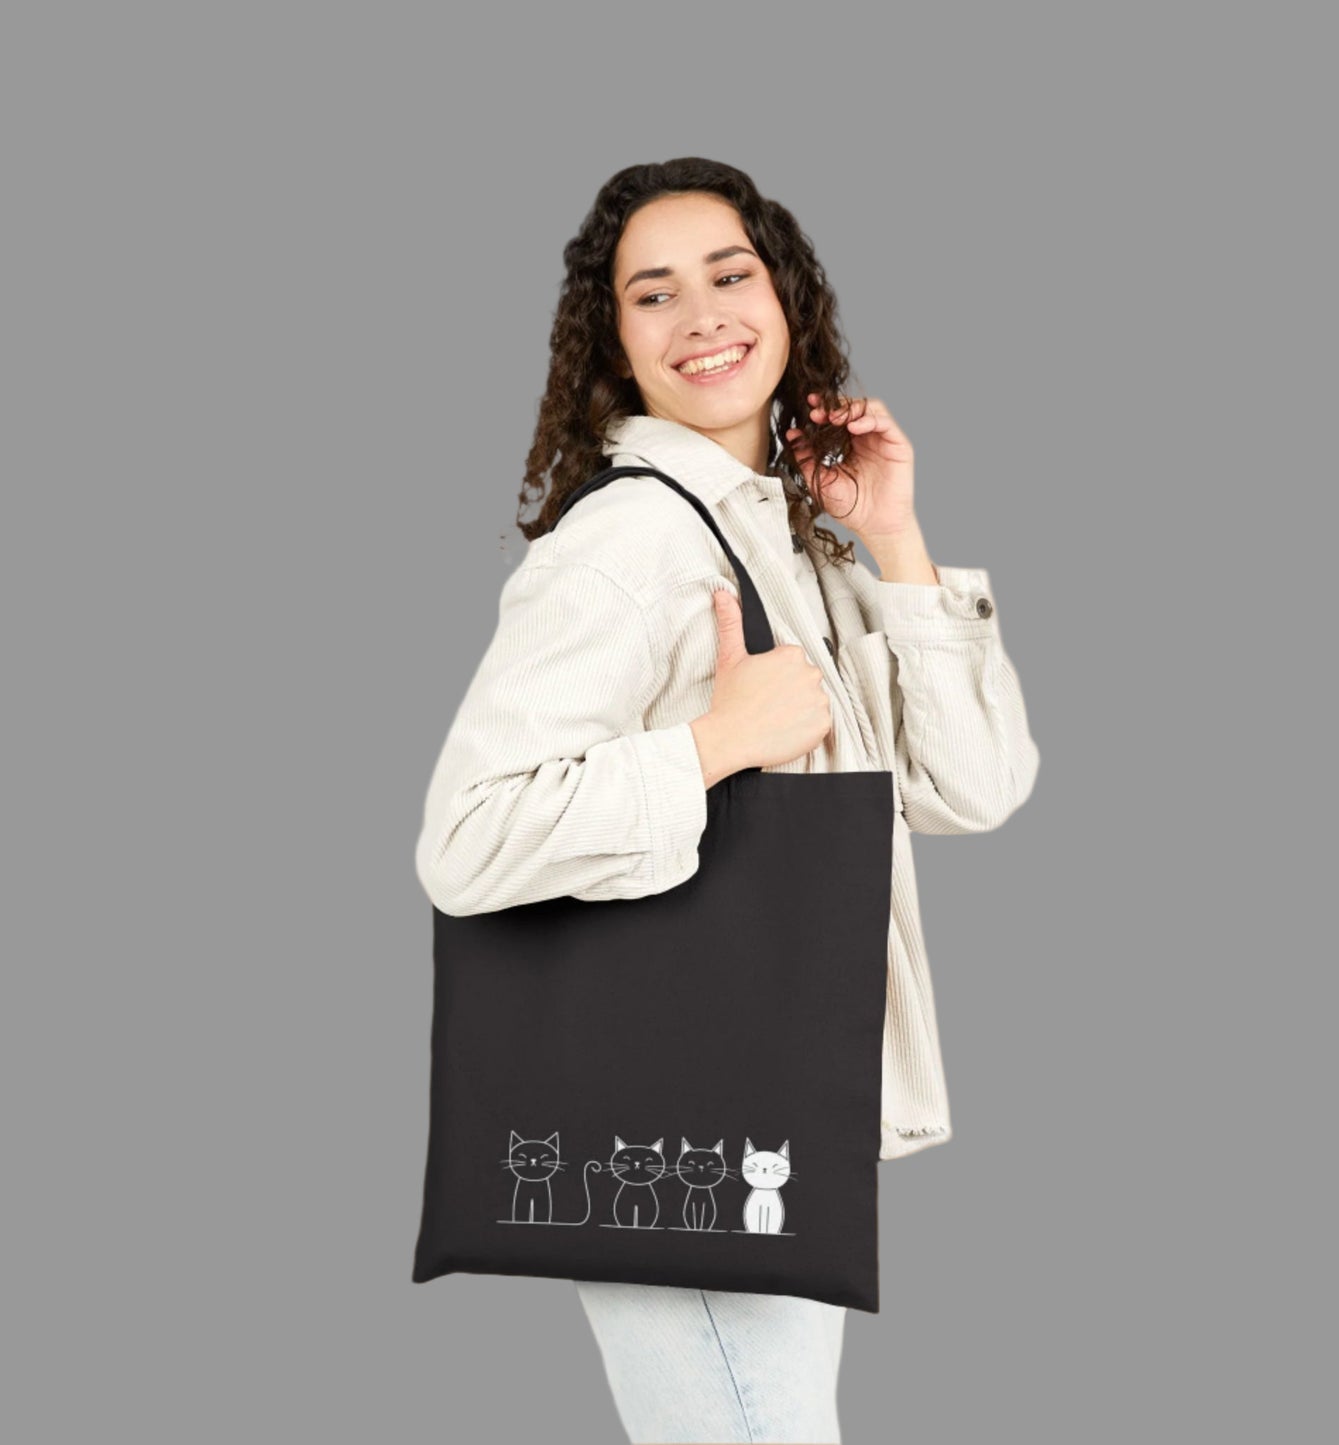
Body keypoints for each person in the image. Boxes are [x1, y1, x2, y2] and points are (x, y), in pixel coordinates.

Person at [414, 157, 1041, 1445]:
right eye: (654, 294)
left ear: (786, 300)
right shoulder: (630, 541)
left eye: (730, 275)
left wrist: (896, 540)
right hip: (679, 1112)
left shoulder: (782, 538)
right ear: (616, 344)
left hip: (772, 1108)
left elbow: (975, 788)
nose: (701, 316)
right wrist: (714, 744)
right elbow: (468, 840)